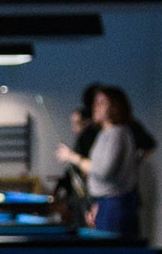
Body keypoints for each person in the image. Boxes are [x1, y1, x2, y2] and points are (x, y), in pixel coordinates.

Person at [55, 86, 142, 239]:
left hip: (115, 206)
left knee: (113, 252)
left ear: (115, 107)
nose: (96, 107)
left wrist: (72, 157)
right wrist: (97, 205)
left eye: (101, 102)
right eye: (95, 102)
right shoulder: (105, 133)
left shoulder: (117, 133)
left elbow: (103, 171)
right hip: (105, 204)